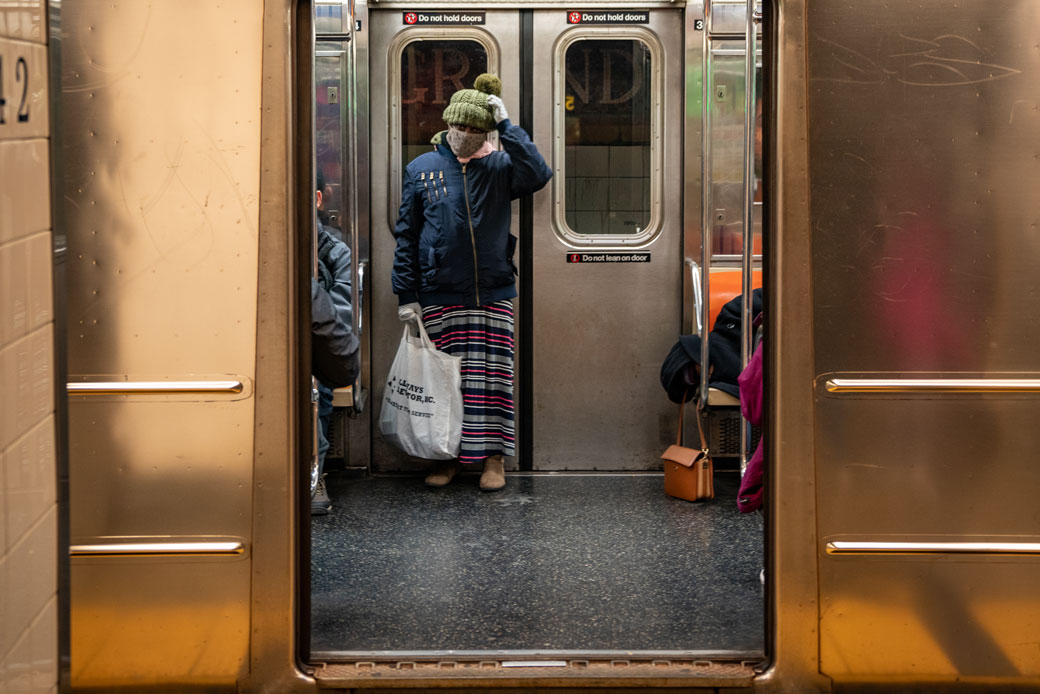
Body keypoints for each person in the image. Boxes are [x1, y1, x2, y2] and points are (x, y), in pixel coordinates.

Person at [391, 73, 552, 491]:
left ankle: (492, 460)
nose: (464, 134)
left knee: (492, 382)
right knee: (446, 381)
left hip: (493, 290)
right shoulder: (421, 169)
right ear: (447, 124)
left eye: (475, 128)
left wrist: (507, 128)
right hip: (439, 292)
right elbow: (406, 233)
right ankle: (445, 458)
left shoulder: (499, 165)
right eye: (459, 126)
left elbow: (538, 174)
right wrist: (406, 294)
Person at [313, 169, 355, 514]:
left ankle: (314, 474)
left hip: (316, 348)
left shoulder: (332, 251)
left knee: (316, 388)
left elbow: (339, 317)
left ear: (317, 200)